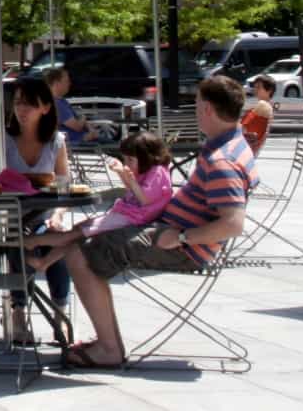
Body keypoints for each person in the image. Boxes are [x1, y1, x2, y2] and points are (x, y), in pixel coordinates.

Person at [61, 75, 259, 369]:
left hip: (183, 246)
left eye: (196, 106)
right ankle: (107, 342)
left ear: (206, 109)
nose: (195, 111)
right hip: (171, 231)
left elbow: (233, 224)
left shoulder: (222, 161)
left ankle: (108, 348)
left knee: (78, 254)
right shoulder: (234, 143)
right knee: (87, 238)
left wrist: (181, 239)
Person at [0, 77, 71, 343]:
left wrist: (57, 215)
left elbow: (65, 186)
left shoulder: (55, 142)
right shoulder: (2, 140)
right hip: (4, 221)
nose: (21, 110)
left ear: (45, 108)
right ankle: (18, 312)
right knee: (19, 239)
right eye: (19, 103)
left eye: (29, 105)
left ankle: (60, 315)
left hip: (42, 219)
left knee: (61, 240)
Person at [26, 132, 173, 272]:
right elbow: (133, 189)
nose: (127, 163)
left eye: (130, 160)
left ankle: (33, 241)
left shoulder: (158, 171)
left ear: (147, 157)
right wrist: (122, 174)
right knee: (78, 231)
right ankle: (44, 261)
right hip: (128, 214)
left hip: (133, 217)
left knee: (76, 233)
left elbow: (145, 199)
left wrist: (129, 179)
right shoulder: (149, 170)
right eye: (125, 159)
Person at [43, 67, 99, 145]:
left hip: (86, 141)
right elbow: (77, 126)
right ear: (56, 83)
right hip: (80, 144)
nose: (69, 84)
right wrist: (83, 117)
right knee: (116, 147)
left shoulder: (61, 101)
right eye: (67, 81)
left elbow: (80, 123)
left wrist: (90, 129)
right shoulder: (56, 104)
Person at [241, 74, 276, 154]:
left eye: (259, 87)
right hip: (251, 148)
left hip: (247, 149)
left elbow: (245, 127)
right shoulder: (266, 107)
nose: (255, 90)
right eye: (255, 87)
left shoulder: (263, 105)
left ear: (269, 90)